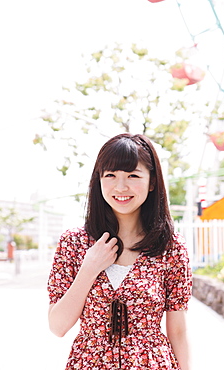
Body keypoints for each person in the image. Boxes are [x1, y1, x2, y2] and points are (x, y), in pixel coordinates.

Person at [47, 133, 192, 370]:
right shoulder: (73, 243)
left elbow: (178, 331)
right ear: (99, 180)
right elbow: (57, 326)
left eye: (133, 175)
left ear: (152, 182)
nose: (121, 186)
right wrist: (89, 268)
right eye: (111, 175)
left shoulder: (171, 247)